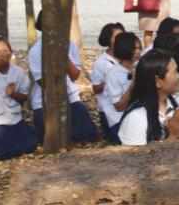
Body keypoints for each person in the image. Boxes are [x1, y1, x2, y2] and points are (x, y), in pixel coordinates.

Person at [28, 11, 99, 143]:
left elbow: (75, 75)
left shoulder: (70, 45)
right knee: (50, 139)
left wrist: (63, 57)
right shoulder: (36, 50)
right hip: (45, 101)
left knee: (89, 135)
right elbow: (43, 83)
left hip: (70, 96)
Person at [118, 49, 179, 146]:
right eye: (175, 72)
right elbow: (135, 155)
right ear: (157, 81)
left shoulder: (178, 104)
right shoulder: (135, 118)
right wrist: (173, 137)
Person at [99, 32, 142, 144]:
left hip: (136, 116)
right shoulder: (113, 74)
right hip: (119, 121)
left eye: (139, 48)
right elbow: (119, 106)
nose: (138, 52)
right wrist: (133, 84)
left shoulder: (138, 67)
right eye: (134, 49)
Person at [90, 22, 125, 137]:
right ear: (108, 40)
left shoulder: (128, 59)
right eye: (116, 37)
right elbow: (96, 88)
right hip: (110, 113)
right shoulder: (101, 63)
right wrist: (112, 81)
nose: (120, 40)